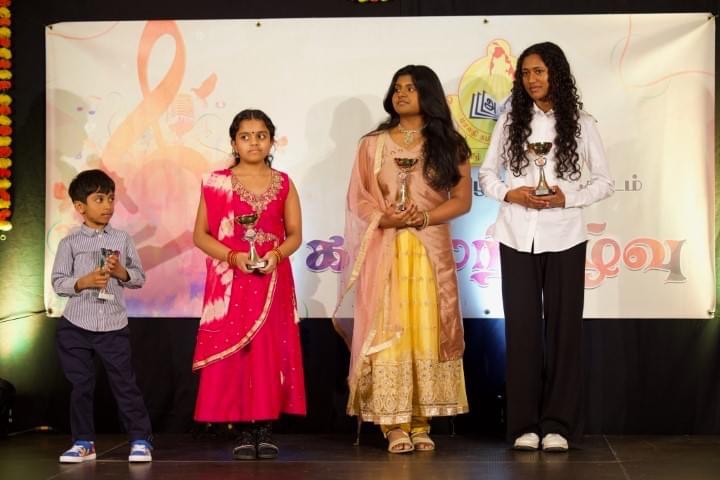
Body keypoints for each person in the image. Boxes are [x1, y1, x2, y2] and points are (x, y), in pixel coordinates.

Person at [478, 42, 614, 452]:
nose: (531, 79)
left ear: (556, 72)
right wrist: (511, 193)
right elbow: (486, 174)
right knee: (521, 332)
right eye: (525, 73)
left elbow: (604, 182)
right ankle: (524, 425)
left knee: (564, 331)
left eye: (539, 71)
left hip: (566, 235)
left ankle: (558, 425)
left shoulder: (582, 123)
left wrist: (565, 198)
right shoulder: (509, 122)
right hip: (516, 235)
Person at [334, 65, 472, 453]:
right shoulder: (372, 145)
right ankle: (392, 424)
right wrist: (386, 218)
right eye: (397, 88)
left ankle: (420, 420)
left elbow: (462, 201)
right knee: (388, 329)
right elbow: (358, 198)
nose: (401, 94)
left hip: (430, 252)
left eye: (410, 88)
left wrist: (425, 216)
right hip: (386, 248)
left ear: (428, 93)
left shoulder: (450, 143)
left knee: (426, 329)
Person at [191, 109, 305, 460]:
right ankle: (241, 429)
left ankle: (264, 428)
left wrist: (276, 255)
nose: (253, 142)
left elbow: (295, 234)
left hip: (272, 278)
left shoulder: (284, 182)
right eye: (245, 136)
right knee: (237, 354)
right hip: (232, 280)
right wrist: (233, 257)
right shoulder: (216, 182)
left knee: (269, 352)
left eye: (261, 135)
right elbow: (200, 235)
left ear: (271, 140)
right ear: (234, 142)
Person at [51, 169, 153, 463]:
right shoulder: (69, 243)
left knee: (125, 384)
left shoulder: (122, 239)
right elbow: (58, 282)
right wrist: (82, 282)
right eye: (99, 199)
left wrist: (121, 272)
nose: (108, 205)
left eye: (111, 198)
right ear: (80, 206)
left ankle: (140, 440)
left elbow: (139, 278)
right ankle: (83, 442)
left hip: (113, 325)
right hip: (75, 326)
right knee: (81, 385)